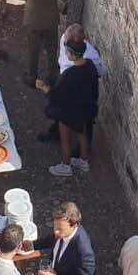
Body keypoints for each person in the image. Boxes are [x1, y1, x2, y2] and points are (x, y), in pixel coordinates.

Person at [38, 39, 100, 176]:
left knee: (65, 139)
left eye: (67, 52)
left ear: (72, 55)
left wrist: (43, 87)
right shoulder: (90, 65)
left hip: (70, 112)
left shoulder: (70, 74)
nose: (65, 54)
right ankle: (84, 162)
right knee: (83, 134)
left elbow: (57, 95)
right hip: (86, 108)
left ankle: (65, 166)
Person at [21, 0, 69, 87]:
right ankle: (52, 76)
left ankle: (32, 77)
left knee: (33, 49)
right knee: (52, 48)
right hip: (51, 19)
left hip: (33, 21)